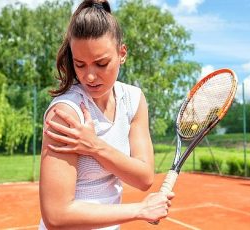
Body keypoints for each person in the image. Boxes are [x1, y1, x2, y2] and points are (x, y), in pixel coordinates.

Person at [38, 0, 174, 229]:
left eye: (101, 64)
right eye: (80, 64)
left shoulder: (133, 99)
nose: (89, 76)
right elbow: (56, 215)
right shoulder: (66, 112)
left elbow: (144, 178)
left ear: (122, 53)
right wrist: (140, 210)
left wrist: (94, 146)